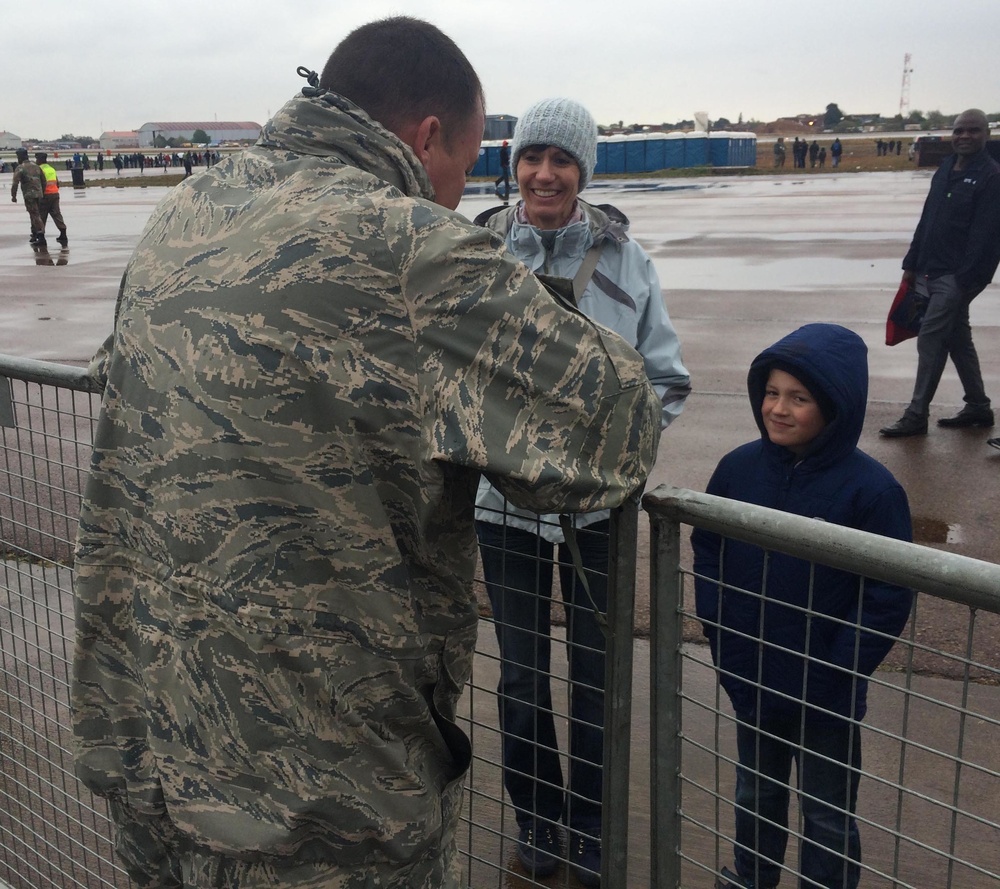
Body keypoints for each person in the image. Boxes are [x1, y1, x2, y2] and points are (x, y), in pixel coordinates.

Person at [70, 17, 662, 889]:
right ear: (427, 140)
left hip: (150, 755)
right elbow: (614, 430)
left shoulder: (184, 211)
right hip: (319, 805)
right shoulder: (414, 248)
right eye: (464, 168)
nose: (460, 195)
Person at [473, 97, 690, 887]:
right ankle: (540, 821)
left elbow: (666, 378)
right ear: (514, 162)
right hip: (503, 513)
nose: (545, 173)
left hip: (599, 514)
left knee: (598, 679)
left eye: (562, 160)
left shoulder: (627, 261)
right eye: (533, 157)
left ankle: (595, 828)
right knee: (524, 679)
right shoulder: (481, 247)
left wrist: (614, 458)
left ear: (584, 170)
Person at [693, 323, 913, 889]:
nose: (779, 409)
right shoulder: (737, 470)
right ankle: (750, 876)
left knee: (827, 810)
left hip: (828, 693)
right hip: (753, 677)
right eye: (771, 392)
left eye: (799, 397)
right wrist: (726, 643)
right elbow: (710, 552)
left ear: (836, 406)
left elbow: (888, 595)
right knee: (755, 792)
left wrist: (837, 671)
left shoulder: (874, 492)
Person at [880, 109, 1000, 438]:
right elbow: (928, 219)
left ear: (985, 134)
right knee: (958, 339)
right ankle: (978, 406)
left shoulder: (991, 176)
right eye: (959, 130)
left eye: (973, 131)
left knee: (932, 337)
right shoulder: (947, 168)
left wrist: (964, 281)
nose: (964, 136)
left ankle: (916, 414)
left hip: (958, 277)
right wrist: (911, 263)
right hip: (930, 269)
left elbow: (987, 236)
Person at [9, 147, 46, 245]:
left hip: (29, 195)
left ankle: (41, 236)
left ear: (21, 156)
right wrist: (42, 191)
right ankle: (35, 234)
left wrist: (13, 196)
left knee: (35, 214)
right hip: (39, 194)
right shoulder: (36, 166)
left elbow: (15, 183)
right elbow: (44, 180)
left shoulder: (20, 167)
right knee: (34, 214)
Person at [35, 152, 68, 245]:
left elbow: (39, 183)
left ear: (40, 160)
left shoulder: (39, 169)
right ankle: (63, 234)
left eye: (37, 159)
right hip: (55, 193)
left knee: (41, 216)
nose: (36, 161)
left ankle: (41, 237)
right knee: (57, 214)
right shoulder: (51, 169)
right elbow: (57, 182)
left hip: (45, 195)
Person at [494, 138, 511, 203]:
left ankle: (505, 185)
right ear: (504, 145)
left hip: (505, 164)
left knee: (505, 176)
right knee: (505, 176)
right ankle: (500, 183)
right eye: (506, 144)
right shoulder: (503, 150)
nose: (507, 145)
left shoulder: (504, 150)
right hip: (504, 164)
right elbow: (503, 158)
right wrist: (505, 163)